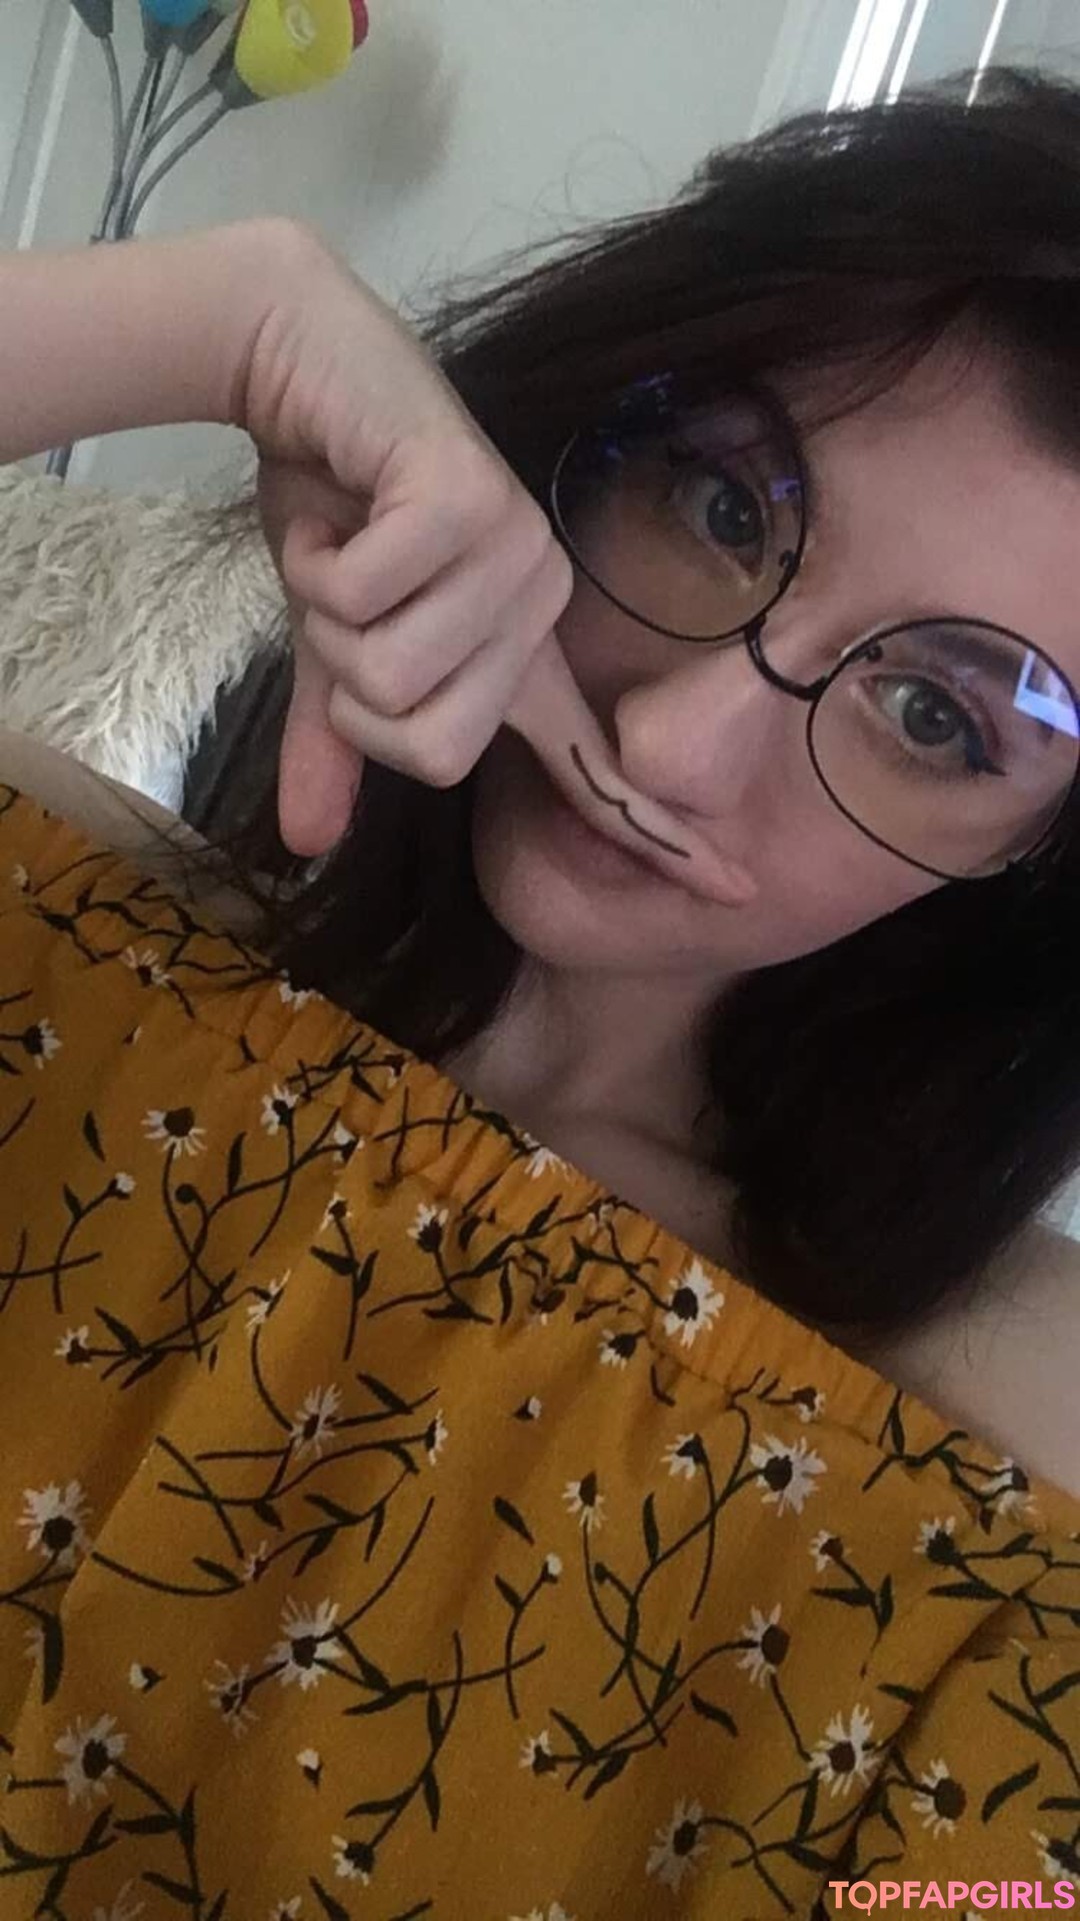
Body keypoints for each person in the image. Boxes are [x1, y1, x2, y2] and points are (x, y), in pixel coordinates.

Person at [1, 62, 1079, 1920]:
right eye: (724, 504)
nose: (673, 741)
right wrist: (222, 316)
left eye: (936, 716)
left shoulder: (993, 1462)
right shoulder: (66, 929)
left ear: (1037, 862)